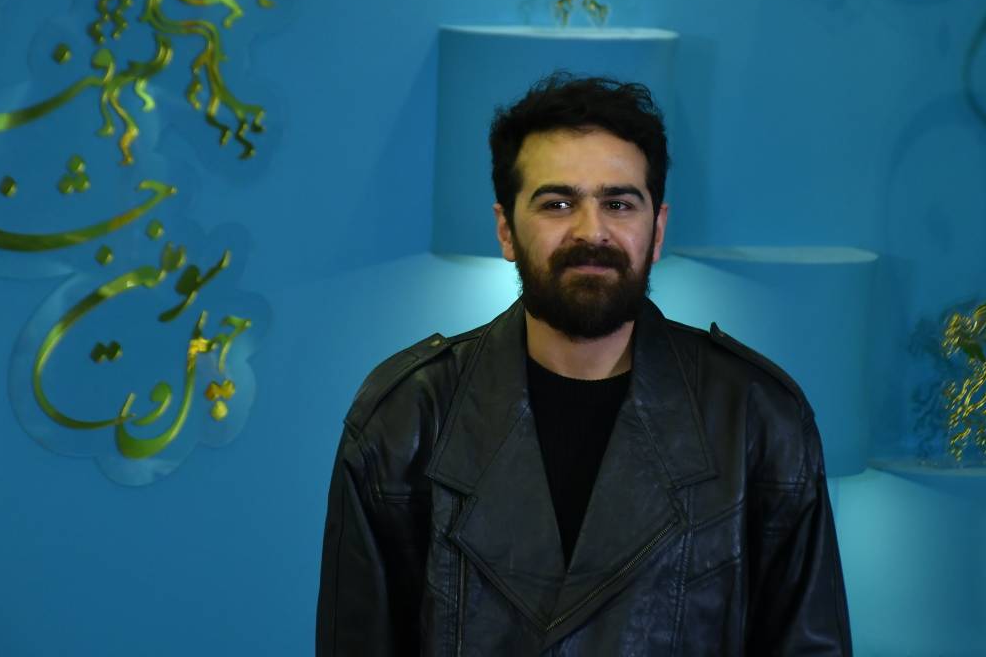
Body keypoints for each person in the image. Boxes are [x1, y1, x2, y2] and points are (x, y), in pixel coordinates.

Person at [317, 74, 851, 655]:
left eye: (618, 204)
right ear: (506, 230)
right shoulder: (404, 419)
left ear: (657, 230)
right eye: (557, 204)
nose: (591, 232)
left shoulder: (758, 419)